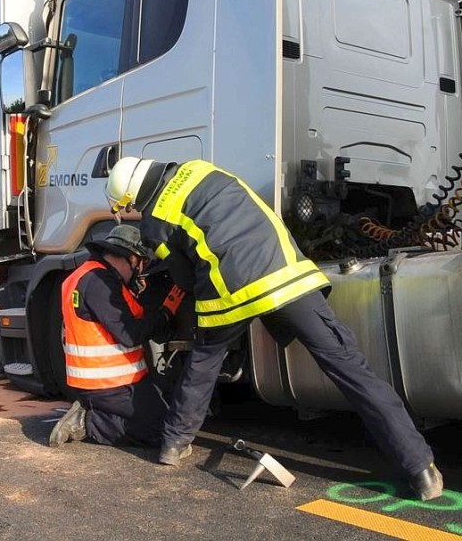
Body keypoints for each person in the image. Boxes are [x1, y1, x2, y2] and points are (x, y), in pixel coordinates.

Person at [105, 156, 443, 502]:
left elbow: (182, 276)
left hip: (230, 294)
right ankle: (420, 469)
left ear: (134, 192)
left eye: (129, 204)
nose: (133, 209)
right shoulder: (202, 169)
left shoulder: (155, 220)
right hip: (286, 275)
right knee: (349, 368)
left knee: (203, 365)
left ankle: (174, 445)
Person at [49, 224, 186, 449]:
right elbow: (130, 334)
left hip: (103, 381)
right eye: (142, 264)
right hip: (109, 384)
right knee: (166, 432)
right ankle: (88, 422)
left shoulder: (91, 275)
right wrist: (165, 313)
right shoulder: (100, 283)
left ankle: (94, 412)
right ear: (132, 259)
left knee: (162, 413)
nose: (141, 271)